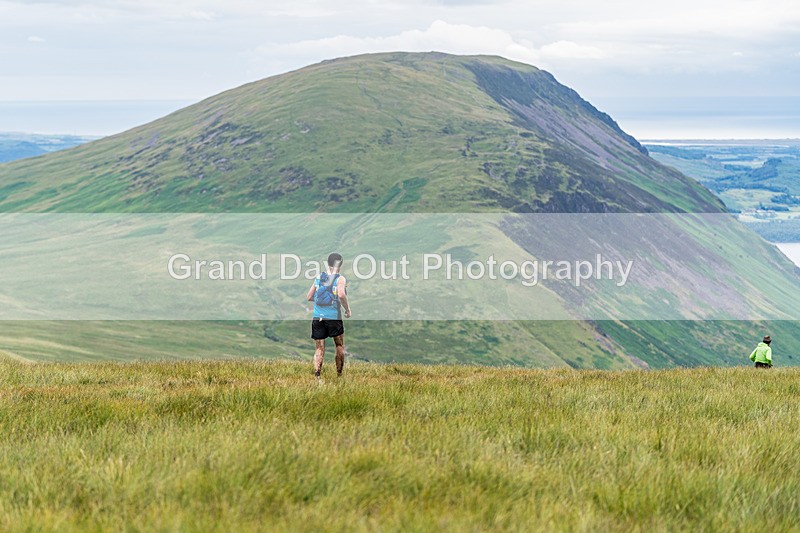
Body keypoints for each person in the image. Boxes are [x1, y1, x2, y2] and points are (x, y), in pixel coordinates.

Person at [306, 252, 352, 378]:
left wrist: (321, 301)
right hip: (333, 317)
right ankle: (339, 375)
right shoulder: (340, 279)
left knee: (319, 348)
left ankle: (317, 375)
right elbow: (341, 295)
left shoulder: (319, 277)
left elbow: (309, 297)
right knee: (339, 345)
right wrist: (347, 310)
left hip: (317, 316)